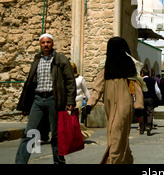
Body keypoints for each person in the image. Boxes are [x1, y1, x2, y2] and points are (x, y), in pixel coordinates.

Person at [15, 33, 76, 164]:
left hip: (54, 100)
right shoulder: (37, 60)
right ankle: (20, 162)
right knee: (30, 132)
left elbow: (70, 82)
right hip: (38, 100)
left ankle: (59, 161)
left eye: (48, 42)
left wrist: (70, 101)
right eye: (43, 43)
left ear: (52, 43)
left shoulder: (61, 60)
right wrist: (25, 105)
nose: (46, 45)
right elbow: (30, 83)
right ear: (40, 44)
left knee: (56, 134)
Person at [86, 37, 137, 164]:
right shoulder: (105, 68)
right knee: (120, 136)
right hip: (110, 107)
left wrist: (139, 105)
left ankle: (112, 161)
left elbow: (136, 86)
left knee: (115, 132)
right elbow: (97, 88)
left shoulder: (130, 66)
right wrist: (89, 104)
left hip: (125, 105)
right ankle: (126, 160)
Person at [70, 62, 93, 140]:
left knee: (75, 119)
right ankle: (79, 134)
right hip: (68, 102)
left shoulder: (80, 79)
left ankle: (77, 137)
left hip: (78, 101)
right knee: (69, 120)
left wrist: (90, 102)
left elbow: (86, 91)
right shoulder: (66, 78)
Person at [140, 68, 162, 135]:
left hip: (142, 98)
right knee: (150, 112)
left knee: (142, 113)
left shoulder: (140, 80)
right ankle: (148, 126)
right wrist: (160, 97)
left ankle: (141, 129)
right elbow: (157, 91)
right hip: (150, 98)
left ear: (143, 73)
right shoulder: (153, 80)